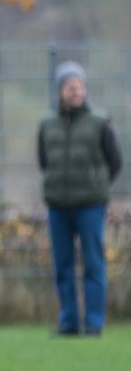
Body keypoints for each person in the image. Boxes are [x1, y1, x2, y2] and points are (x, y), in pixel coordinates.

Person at [38, 60, 122, 337]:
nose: (76, 91)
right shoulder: (47, 125)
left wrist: (97, 186)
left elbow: (115, 161)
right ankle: (69, 323)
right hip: (58, 205)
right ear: (59, 91)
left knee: (93, 264)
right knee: (63, 266)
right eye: (70, 86)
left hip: (90, 205)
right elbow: (44, 161)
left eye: (80, 86)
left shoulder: (100, 123)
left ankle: (94, 323)